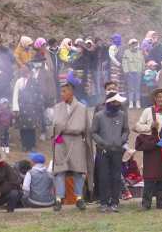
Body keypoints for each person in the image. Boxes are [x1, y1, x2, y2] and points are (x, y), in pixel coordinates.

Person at [52, 83, 91, 211]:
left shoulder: (82, 108)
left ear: (71, 93)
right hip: (61, 140)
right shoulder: (57, 107)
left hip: (76, 141)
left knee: (78, 171)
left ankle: (79, 198)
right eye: (61, 91)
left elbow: (85, 127)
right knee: (59, 170)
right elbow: (54, 126)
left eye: (64, 91)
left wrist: (86, 144)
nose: (61, 94)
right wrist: (56, 135)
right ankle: (58, 199)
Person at [91, 92, 129, 212]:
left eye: (119, 102)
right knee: (103, 177)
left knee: (116, 177)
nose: (118, 104)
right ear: (110, 102)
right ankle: (103, 202)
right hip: (103, 151)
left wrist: (121, 140)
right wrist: (102, 143)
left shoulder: (122, 115)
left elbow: (126, 130)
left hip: (117, 150)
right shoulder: (98, 116)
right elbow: (93, 132)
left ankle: (115, 202)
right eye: (116, 102)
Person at [122, 39, 144, 109]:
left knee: (137, 88)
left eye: (135, 43)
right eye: (133, 43)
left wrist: (143, 70)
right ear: (130, 44)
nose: (134, 45)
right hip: (130, 72)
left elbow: (143, 61)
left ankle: (137, 102)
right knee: (131, 88)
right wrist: (126, 71)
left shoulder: (140, 52)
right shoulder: (126, 52)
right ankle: (131, 102)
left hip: (138, 72)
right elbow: (124, 62)